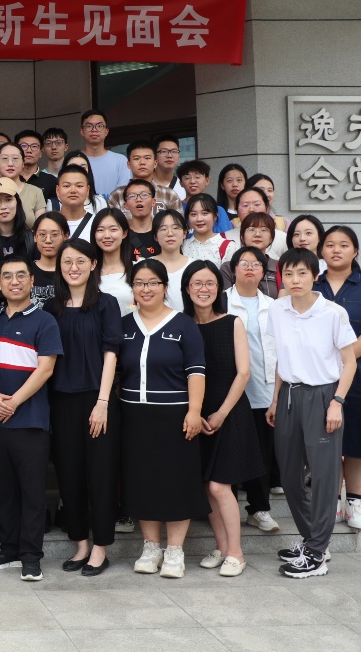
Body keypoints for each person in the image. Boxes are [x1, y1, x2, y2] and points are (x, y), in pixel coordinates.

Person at [268, 248, 358, 578]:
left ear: (315, 275)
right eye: (289, 273)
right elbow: (282, 357)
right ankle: (313, 540)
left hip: (323, 396)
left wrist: (337, 402)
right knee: (289, 476)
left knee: (322, 477)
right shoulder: (278, 309)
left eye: (302, 273)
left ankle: (317, 553)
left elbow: (350, 362)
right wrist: (275, 400)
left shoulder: (332, 313)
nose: (295, 280)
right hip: (289, 396)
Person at [120, 259, 208, 579]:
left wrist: (194, 411)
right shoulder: (124, 325)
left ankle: (174, 550)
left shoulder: (183, 325)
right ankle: (150, 547)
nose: (146, 289)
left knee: (176, 482)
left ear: (165, 287)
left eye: (152, 283)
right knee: (142, 481)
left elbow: (196, 371)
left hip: (175, 417)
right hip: (134, 416)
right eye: (139, 283)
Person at [0, 255, 61, 582]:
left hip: (31, 421)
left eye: (21, 275)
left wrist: (14, 402)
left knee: (32, 492)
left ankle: (31, 556)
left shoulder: (44, 321)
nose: (14, 281)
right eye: (8, 276)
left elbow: (46, 368)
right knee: (4, 491)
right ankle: (9, 549)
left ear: (31, 281)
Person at [44, 238, 122, 575]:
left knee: (101, 475)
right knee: (69, 473)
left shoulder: (106, 304)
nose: (73, 268)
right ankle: (80, 544)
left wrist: (102, 402)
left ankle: (100, 547)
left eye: (80, 261)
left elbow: (111, 353)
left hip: (97, 399)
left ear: (93, 265)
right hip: (61, 399)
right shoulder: (51, 308)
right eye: (66, 262)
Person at [182, 261, 263, 577]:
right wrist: (196, 413)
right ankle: (222, 547)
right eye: (197, 283)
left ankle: (237, 553)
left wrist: (221, 413)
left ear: (219, 288)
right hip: (197, 415)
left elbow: (243, 373)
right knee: (206, 485)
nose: (203, 289)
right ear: (187, 288)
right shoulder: (183, 325)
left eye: (210, 283)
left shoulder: (233, 323)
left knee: (218, 485)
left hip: (230, 413)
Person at [316, 226, 361, 531]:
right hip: (317, 373)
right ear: (321, 251)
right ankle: (332, 502)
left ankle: (354, 503)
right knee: (327, 439)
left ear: (355, 251)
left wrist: (342, 361)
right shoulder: (312, 286)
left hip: (360, 370)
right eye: (330, 244)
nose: (336, 250)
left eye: (344, 245)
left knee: (359, 438)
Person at [225, 246, 282, 532]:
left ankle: (259, 509)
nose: (250, 268)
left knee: (260, 452)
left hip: (263, 390)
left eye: (256, 264)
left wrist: (276, 397)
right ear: (233, 269)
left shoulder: (275, 306)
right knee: (227, 452)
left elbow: (282, 352)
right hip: (228, 391)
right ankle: (222, 511)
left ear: (263, 271)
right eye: (243, 263)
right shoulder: (221, 301)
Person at [107, 141, 183, 214]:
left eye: (147, 158)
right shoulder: (117, 195)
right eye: (136, 158)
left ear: (155, 163)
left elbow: (178, 222)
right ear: (129, 164)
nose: (142, 162)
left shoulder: (170, 195)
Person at [219, 212, 280, 298]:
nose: (257, 234)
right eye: (251, 229)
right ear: (242, 236)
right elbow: (226, 299)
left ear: (271, 238)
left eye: (263, 230)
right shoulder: (228, 267)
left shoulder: (279, 266)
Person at [79, 109, 131, 196]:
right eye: (89, 126)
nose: (94, 130)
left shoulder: (121, 161)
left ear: (106, 131)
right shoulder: (74, 161)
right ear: (82, 132)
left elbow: (123, 195)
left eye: (99, 126)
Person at [0, 143, 47, 226]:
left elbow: (41, 227)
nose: (10, 164)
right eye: (5, 159)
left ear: (23, 163)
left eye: (15, 158)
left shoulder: (36, 192)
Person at [151, 209, 194, 310]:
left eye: (175, 228)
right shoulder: (145, 266)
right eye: (163, 229)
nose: (170, 233)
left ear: (184, 233)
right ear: (155, 236)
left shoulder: (195, 267)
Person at [178, 160, 234, 233]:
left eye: (197, 177)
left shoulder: (218, 210)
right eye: (187, 178)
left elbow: (224, 236)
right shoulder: (177, 208)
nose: (192, 181)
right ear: (181, 183)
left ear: (207, 180)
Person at [182, 194, 235, 264]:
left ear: (215, 216)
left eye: (204, 213)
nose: (199, 219)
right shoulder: (182, 246)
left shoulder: (228, 246)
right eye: (193, 214)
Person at [30, 212, 68, 307]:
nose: (48, 240)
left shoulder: (72, 272)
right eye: (42, 234)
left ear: (66, 237)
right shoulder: (25, 271)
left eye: (54, 235)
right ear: (35, 237)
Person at [52, 165, 97, 242]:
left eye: (79, 186)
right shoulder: (48, 223)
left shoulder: (97, 224)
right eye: (67, 186)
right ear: (57, 190)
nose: (73, 190)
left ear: (87, 190)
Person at [120, 180, 161, 260]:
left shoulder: (163, 233)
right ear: (126, 205)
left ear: (153, 202)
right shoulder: (121, 236)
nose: (138, 199)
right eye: (132, 196)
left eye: (144, 195)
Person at [15, 130, 57, 202]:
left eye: (34, 146)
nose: (29, 150)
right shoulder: (8, 179)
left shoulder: (51, 181)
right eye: (24, 146)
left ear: (40, 153)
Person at [152, 135, 186, 200]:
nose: (169, 155)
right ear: (155, 155)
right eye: (164, 151)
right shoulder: (144, 183)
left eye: (174, 151)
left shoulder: (183, 187)